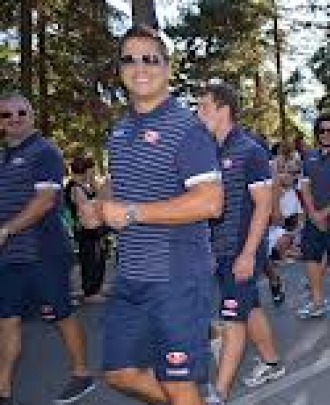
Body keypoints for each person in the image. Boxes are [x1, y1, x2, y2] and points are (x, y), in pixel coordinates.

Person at [78, 26, 224, 405]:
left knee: (177, 384)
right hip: (131, 277)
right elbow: (119, 183)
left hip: (177, 279)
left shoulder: (186, 129)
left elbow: (210, 202)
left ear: (167, 68)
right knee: (120, 373)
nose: (139, 66)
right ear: (119, 69)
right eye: (129, 58)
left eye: (150, 58)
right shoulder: (121, 131)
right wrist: (97, 207)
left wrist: (131, 213)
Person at [0, 93, 96, 405]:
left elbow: (44, 202)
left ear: (32, 113)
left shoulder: (45, 152)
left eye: (20, 112)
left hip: (44, 253)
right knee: (8, 319)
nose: (14, 118)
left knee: (61, 315)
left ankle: (82, 375)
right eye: (6, 114)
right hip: (9, 257)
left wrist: (7, 229)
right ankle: (3, 390)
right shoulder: (2, 157)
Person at [196, 83, 285, 404]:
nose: (198, 112)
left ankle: (218, 393)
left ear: (223, 110)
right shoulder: (207, 151)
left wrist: (249, 254)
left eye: (204, 106)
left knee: (232, 317)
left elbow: (263, 205)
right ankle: (272, 362)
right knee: (250, 308)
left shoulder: (250, 150)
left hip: (241, 250)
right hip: (215, 249)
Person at [297, 112, 330, 319]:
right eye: (322, 131)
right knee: (311, 259)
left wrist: (324, 214)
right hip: (313, 220)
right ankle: (318, 302)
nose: (326, 134)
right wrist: (313, 213)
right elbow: (304, 187)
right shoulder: (309, 156)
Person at [65, 156, 108, 303]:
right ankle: (90, 291)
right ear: (85, 171)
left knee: (99, 258)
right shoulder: (75, 187)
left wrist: (93, 183)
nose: (93, 173)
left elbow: (99, 197)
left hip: (94, 228)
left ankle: (96, 287)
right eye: (91, 171)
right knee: (90, 259)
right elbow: (88, 207)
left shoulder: (85, 185)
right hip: (85, 229)